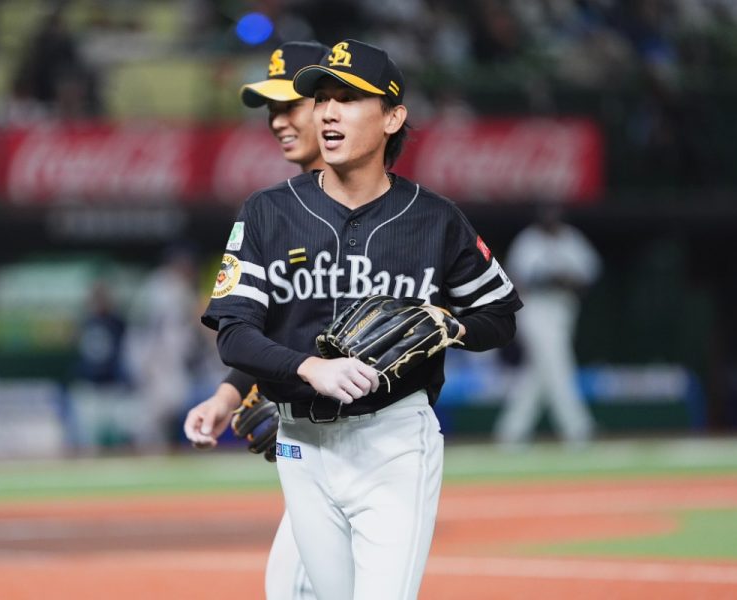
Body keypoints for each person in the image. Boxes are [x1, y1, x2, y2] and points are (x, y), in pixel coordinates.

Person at [201, 39, 521, 600]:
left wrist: (453, 326)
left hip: (391, 439)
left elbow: (498, 314)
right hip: (300, 445)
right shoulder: (268, 211)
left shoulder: (434, 218)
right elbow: (236, 333)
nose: (327, 112)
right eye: (322, 98)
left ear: (392, 117)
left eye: (347, 99)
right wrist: (300, 371)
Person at [183, 40, 329, 600]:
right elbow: (264, 328)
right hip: (314, 447)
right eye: (271, 109)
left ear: (332, 106)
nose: (277, 121)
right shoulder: (274, 210)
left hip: (375, 443)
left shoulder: (390, 211)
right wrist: (227, 397)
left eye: (289, 105)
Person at [495, 204, 601, 448]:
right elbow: (518, 280)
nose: (551, 221)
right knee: (558, 364)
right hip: (535, 310)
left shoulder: (571, 239)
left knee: (540, 373)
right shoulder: (528, 241)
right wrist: (552, 278)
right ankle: (578, 428)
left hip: (563, 310)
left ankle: (511, 432)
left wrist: (568, 279)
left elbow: (590, 273)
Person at [125, 244, 201, 450]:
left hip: (155, 354)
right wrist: (149, 360)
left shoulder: (160, 284)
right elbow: (156, 327)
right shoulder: (167, 286)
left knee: (169, 403)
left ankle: (156, 447)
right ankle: (137, 445)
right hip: (154, 356)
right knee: (163, 403)